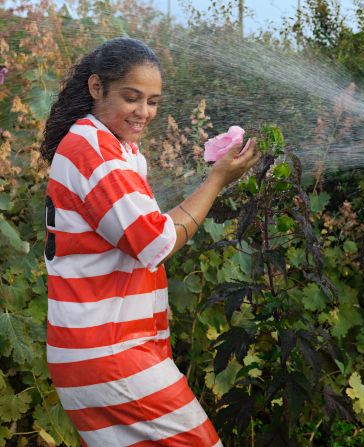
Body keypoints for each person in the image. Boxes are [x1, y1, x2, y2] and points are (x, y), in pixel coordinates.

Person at [40, 37, 260, 447]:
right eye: (132, 97)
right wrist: (216, 181)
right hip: (109, 354)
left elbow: (151, 228)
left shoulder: (104, 146)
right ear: (95, 88)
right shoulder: (95, 152)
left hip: (101, 352)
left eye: (153, 101)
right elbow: (155, 242)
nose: (144, 112)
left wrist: (213, 183)